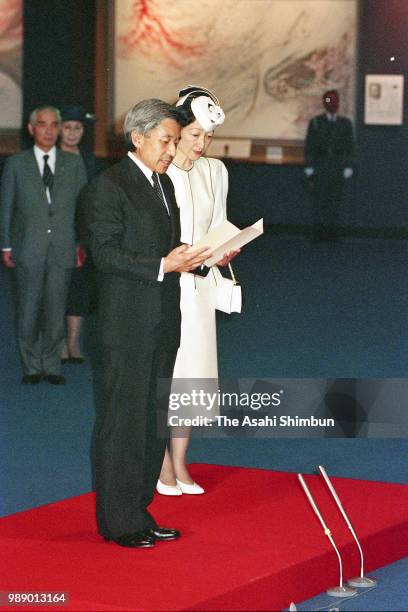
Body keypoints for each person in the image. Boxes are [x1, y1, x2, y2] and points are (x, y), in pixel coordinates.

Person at [84, 98, 211, 548]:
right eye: (166, 140)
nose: (172, 149)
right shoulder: (108, 187)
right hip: (126, 325)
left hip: (161, 321)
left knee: (152, 420)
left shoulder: (163, 185)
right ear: (137, 138)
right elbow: (106, 254)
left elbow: (169, 247)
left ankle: (139, 510)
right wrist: (162, 264)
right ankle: (118, 522)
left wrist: (202, 258)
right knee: (123, 421)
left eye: (176, 141)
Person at [157, 86, 238, 496]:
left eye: (208, 137)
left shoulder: (216, 171)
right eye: (194, 136)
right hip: (168, 289)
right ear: (177, 131)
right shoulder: (160, 169)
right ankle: (162, 464)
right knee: (167, 377)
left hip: (202, 289)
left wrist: (225, 251)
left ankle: (181, 461)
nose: (202, 145)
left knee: (194, 380)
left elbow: (219, 226)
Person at [0, 105, 87, 385]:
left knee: (55, 308)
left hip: (62, 248)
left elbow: (83, 209)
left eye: (54, 125)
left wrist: (79, 244)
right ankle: (31, 365)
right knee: (28, 309)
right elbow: (6, 208)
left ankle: (52, 365)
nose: (48, 130)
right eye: (42, 124)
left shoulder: (73, 164)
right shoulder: (16, 164)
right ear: (31, 129)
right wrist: (6, 245)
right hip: (28, 248)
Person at [59, 105, 96, 364]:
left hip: (82, 235)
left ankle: (73, 342)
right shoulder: (48, 157)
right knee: (54, 291)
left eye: (78, 128)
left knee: (78, 291)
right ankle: (57, 342)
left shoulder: (87, 158)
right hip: (55, 235)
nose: (72, 133)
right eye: (67, 127)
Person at [304, 90, 355, 241]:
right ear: (324, 103)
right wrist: (309, 166)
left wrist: (349, 166)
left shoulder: (345, 123)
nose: (332, 103)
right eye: (329, 100)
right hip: (321, 164)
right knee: (320, 199)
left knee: (335, 199)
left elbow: (350, 146)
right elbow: (310, 145)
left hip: (337, 164)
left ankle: (332, 231)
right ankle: (319, 231)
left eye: (335, 101)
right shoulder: (316, 122)